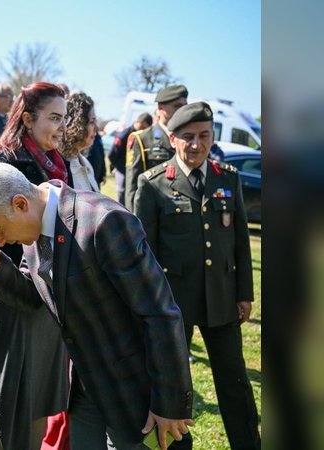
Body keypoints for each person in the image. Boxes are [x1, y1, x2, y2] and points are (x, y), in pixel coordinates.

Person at [0, 160, 194, 450]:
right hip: (86, 393)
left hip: (138, 397)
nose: (0, 241)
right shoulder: (34, 225)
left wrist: (170, 403)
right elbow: (33, 294)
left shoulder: (104, 221)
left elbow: (160, 314)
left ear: (20, 204)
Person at [134, 102, 261, 450]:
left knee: (235, 382)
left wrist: (244, 294)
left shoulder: (227, 178)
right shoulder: (154, 184)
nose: (196, 144)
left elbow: (239, 245)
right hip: (173, 305)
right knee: (174, 385)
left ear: (212, 136)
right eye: (187, 137)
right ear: (173, 138)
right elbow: (142, 255)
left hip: (221, 300)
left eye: (204, 136)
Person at [0, 81, 70, 450]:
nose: (62, 127)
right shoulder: (4, 165)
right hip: (13, 298)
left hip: (47, 300)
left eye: (65, 118)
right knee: (12, 408)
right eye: (54, 118)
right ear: (27, 118)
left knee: (36, 409)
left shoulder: (59, 165)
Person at [124, 84, 188, 210]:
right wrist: (132, 224)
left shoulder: (187, 138)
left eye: (184, 106)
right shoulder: (142, 139)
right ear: (160, 107)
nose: (182, 111)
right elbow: (132, 187)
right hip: (152, 213)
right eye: (177, 106)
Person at [59, 92, 101, 193]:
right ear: (78, 124)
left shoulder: (86, 164)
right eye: (92, 122)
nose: (97, 128)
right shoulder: (60, 167)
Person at [109, 112, 153, 204]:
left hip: (133, 171)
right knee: (122, 194)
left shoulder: (142, 135)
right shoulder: (125, 135)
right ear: (143, 123)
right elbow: (112, 154)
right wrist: (119, 168)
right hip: (123, 170)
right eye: (146, 126)